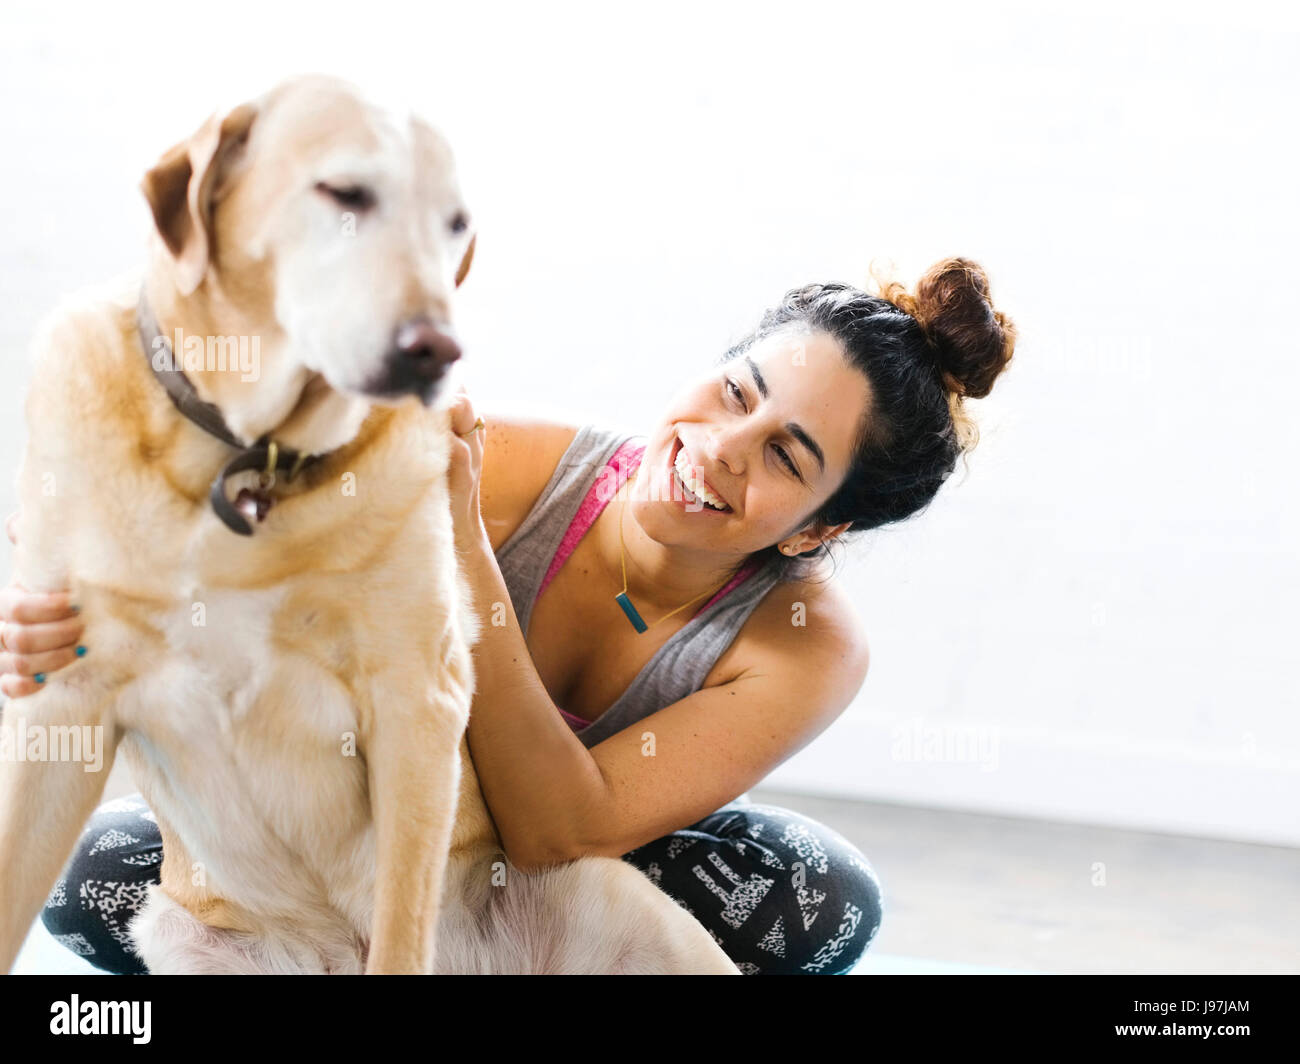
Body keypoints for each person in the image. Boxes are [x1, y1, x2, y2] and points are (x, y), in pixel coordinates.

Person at [0, 257, 1017, 974]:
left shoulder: (805, 644)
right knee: (101, 871)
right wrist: (71, 609)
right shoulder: (518, 466)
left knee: (824, 899)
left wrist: (461, 543)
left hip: (574, 861)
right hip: (370, 825)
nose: (719, 447)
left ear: (811, 530)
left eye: (787, 455)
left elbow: (555, 830)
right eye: (732, 390)